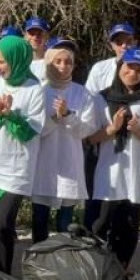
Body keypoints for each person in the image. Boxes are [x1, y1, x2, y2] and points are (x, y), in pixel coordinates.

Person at [0, 35, 49, 274]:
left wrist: (10, 116)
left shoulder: (34, 89)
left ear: (17, 60)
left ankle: (3, 278)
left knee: (2, 225)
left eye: (2, 62)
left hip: (17, 168)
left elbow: (31, 132)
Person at [87, 47, 140, 268]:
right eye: (129, 67)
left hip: (139, 168)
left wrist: (138, 130)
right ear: (120, 67)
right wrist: (113, 129)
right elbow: (91, 138)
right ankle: (99, 268)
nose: (133, 73)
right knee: (102, 221)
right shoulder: (101, 99)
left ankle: (122, 269)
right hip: (110, 169)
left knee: (130, 223)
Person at [30, 38, 97, 242]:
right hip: (44, 162)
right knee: (39, 218)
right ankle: (39, 262)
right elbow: (34, 129)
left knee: (65, 222)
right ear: (49, 63)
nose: (63, 66)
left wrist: (68, 115)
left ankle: (63, 263)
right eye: (57, 61)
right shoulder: (38, 91)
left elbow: (87, 129)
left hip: (69, 161)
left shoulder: (82, 93)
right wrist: (55, 118)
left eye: (68, 62)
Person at [84, 23, 140, 104]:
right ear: (112, 45)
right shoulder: (99, 68)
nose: (124, 46)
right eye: (118, 42)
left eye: (129, 41)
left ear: (135, 43)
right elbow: (88, 99)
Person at [24, 17, 52, 82]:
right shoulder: (17, 62)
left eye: (40, 34)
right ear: (25, 36)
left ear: (47, 37)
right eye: (31, 33)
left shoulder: (52, 63)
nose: (35, 37)